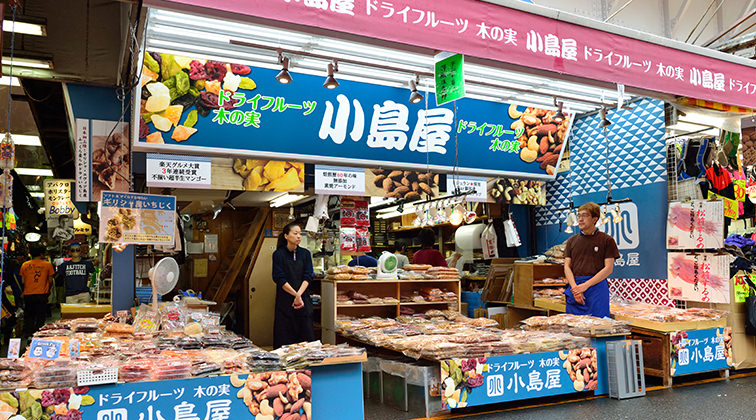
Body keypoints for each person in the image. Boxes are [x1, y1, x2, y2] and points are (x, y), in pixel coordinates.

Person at [563, 202, 620, 318]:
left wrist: (585, 286)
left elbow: (608, 268)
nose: (580, 219)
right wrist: (575, 288)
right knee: (574, 328)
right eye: (579, 216)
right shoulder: (571, 241)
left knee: (599, 327)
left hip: (596, 288)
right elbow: (567, 266)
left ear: (595, 219)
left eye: (584, 215)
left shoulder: (607, 240)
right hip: (575, 287)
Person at [271, 223, 315, 348]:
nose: (299, 236)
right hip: (285, 301)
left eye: (300, 233)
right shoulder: (278, 254)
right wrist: (295, 295)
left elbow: (308, 275)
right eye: (295, 233)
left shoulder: (306, 254)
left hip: (303, 300)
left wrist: (299, 295)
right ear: (286, 236)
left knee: (306, 339)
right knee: (284, 339)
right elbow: (279, 278)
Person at [20, 246, 54, 338]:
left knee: (29, 315)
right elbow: (50, 280)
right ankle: (39, 334)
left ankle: (29, 334)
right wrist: (48, 289)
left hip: (28, 294)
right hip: (42, 294)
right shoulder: (47, 265)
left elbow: (23, 281)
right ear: (42, 254)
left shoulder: (24, 265)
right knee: (40, 315)